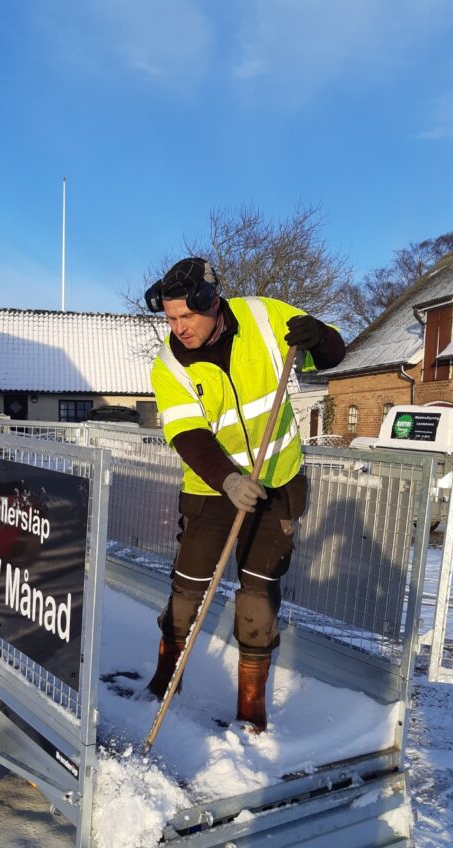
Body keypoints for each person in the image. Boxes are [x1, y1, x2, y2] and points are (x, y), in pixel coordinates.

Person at [144, 256, 345, 732]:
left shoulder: (262, 316)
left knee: (257, 598)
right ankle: (162, 682)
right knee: (187, 594)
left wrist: (318, 335)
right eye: (170, 318)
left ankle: (250, 714)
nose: (178, 328)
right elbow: (186, 432)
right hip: (212, 489)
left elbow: (333, 351)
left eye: (186, 317)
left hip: (278, 483)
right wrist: (228, 480)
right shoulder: (168, 365)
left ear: (211, 304)